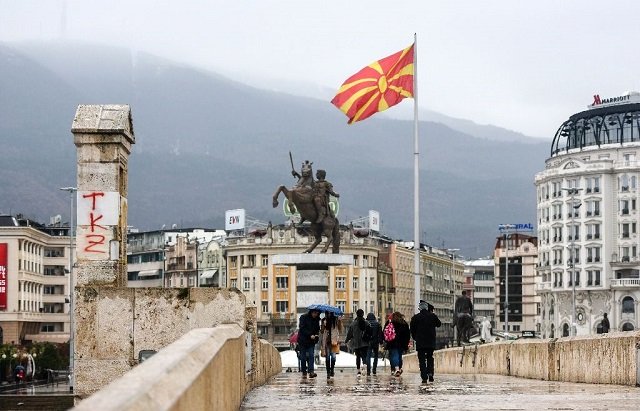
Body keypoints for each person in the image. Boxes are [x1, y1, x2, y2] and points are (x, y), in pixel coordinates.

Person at [410, 300, 442, 383]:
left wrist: (415, 337)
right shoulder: (432, 316)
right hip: (430, 341)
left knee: (421, 359)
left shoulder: (415, 317)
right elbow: (439, 324)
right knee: (430, 357)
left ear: (420, 308)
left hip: (420, 341)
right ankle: (430, 373)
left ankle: (424, 377)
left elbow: (412, 329)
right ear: (427, 308)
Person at [345, 309, 371, 376]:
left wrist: (346, 340)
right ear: (363, 314)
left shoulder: (353, 324)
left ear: (356, 314)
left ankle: (358, 371)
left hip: (356, 343)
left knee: (358, 357)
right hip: (365, 343)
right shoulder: (367, 323)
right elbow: (370, 332)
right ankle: (365, 364)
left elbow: (349, 334)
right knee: (364, 356)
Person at [384, 311, 410, 377]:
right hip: (402, 343)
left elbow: (385, 332)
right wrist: (406, 343)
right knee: (399, 356)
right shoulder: (404, 323)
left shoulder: (390, 322)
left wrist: (386, 341)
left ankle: (396, 369)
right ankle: (399, 368)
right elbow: (408, 334)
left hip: (392, 342)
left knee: (393, 356)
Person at [298, 308, 321, 378]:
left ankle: (311, 371)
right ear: (311, 312)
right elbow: (302, 328)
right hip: (303, 340)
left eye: (317, 313)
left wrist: (316, 335)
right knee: (303, 357)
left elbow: (317, 329)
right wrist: (310, 334)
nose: (315, 315)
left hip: (311, 341)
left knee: (311, 355)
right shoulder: (303, 317)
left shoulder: (317, 319)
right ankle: (304, 371)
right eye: (314, 313)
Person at [320, 312, 343, 379]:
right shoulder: (324, 320)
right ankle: (328, 372)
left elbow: (340, 329)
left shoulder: (335, 320)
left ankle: (332, 370)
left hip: (334, 341)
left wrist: (339, 321)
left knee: (333, 357)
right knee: (327, 357)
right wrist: (323, 325)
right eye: (328, 313)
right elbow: (321, 331)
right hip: (326, 341)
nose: (329, 315)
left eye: (330, 313)